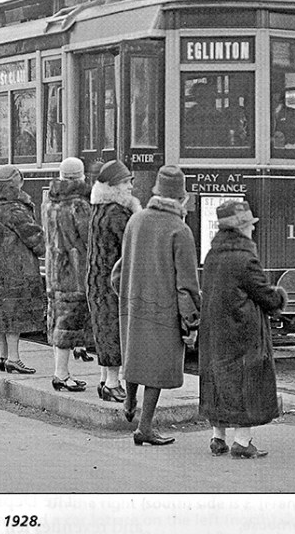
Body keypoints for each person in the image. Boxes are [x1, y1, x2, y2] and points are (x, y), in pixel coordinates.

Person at [112, 165, 200, 446]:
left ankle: (129, 401)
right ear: (182, 199)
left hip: (133, 305)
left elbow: (118, 272)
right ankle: (145, 427)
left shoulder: (135, 221)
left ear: (156, 193)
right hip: (164, 310)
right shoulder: (180, 230)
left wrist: (127, 293)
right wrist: (192, 322)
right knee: (157, 366)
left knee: (135, 356)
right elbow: (186, 286)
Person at [199, 199, 287, 459]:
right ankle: (242, 442)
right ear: (241, 228)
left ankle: (218, 438)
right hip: (241, 333)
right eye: (249, 225)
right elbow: (264, 295)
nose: (252, 229)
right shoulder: (245, 259)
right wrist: (279, 297)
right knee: (244, 383)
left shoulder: (212, 254)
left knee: (218, 380)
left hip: (215, 331)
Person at [0, 165, 46, 374]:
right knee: (14, 317)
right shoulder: (14, 209)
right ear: (16, 181)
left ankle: (3, 357)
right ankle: (14, 359)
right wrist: (44, 246)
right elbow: (34, 237)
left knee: (1, 316)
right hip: (16, 270)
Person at [87, 159, 141, 403]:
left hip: (98, 279)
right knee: (114, 331)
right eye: (127, 182)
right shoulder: (117, 214)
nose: (131, 186)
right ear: (116, 186)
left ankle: (104, 380)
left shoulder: (100, 208)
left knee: (104, 329)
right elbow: (129, 249)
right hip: (113, 282)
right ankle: (111, 383)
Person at [42, 157, 92, 392]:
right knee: (68, 323)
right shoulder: (79, 204)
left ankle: (59, 371)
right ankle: (61, 375)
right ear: (81, 176)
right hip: (74, 272)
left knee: (58, 320)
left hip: (55, 271)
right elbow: (88, 239)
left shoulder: (50, 201)